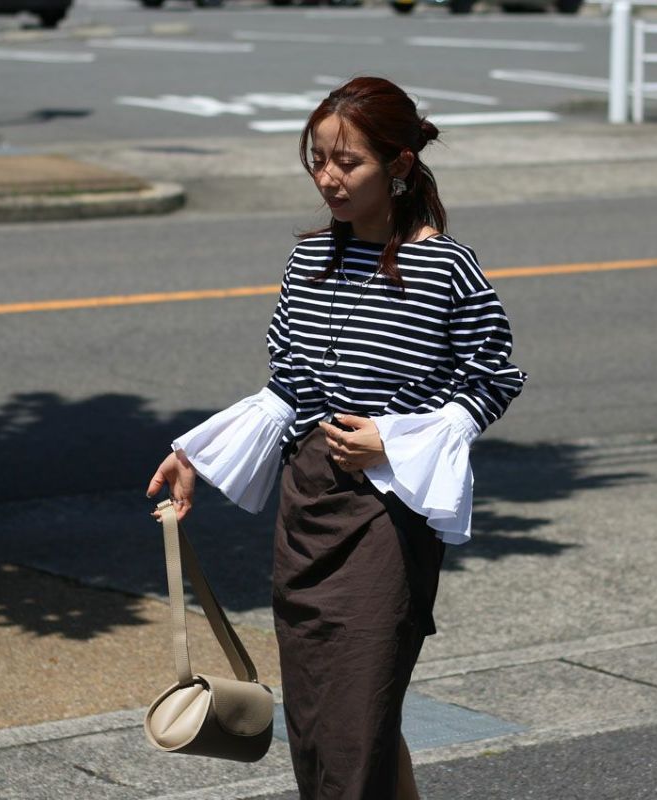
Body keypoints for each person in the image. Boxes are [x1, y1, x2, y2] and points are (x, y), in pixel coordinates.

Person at [147, 76, 527, 800]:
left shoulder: (446, 266)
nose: (328, 178)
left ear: (399, 164)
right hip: (308, 506)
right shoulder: (310, 259)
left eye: (347, 162)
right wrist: (190, 452)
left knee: (357, 717)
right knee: (323, 717)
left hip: (389, 515)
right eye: (317, 160)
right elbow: (288, 386)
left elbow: (492, 378)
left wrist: (394, 442)